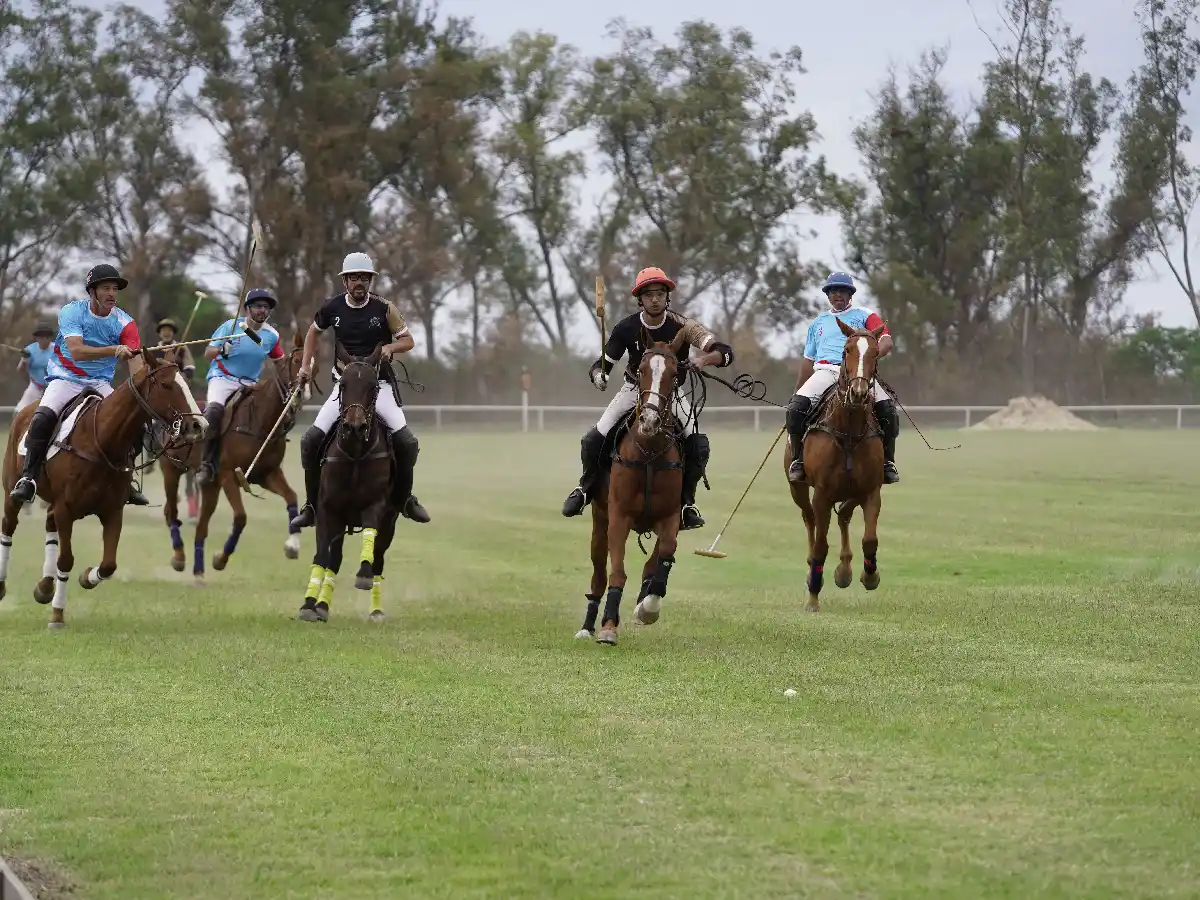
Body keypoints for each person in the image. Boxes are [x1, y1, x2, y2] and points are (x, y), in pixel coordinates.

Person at [560, 266, 735, 530]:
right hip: (634, 391)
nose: (655, 298)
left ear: (667, 297)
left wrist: (703, 360)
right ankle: (584, 489)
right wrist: (599, 376)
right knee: (593, 439)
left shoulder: (684, 327)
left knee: (699, 446)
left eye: (660, 293)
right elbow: (601, 365)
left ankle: (687, 503)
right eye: (649, 294)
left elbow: (724, 351)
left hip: (671, 394)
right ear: (640, 299)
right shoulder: (625, 328)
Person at [289, 251, 430, 529]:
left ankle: (405, 499)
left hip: (379, 385)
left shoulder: (385, 308)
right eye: (353, 278)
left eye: (364, 278)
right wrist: (305, 366)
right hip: (345, 387)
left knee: (407, 443)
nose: (358, 283)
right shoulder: (332, 308)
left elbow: (409, 340)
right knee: (309, 441)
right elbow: (312, 332)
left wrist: (390, 347)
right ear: (345, 282)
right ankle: (312, 505)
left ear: (370, 281)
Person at [9, 264, 151, 506]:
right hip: (66, 378)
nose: (112, 294)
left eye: (115, 289)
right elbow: (76, 350)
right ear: (92, 291)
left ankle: (126, 479)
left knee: (136, 424)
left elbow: (135, 364)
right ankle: (29, 478)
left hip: (100, 382)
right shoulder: (72, 312)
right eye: (106, 288)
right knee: (42, 417)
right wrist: (113, 349)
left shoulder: (126, 323)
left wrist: (139, 392)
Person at [785, 271, 900, 485]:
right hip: (825, 372)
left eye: (843, 291)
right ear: (828, 295)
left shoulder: (865, 315)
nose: (838, 295)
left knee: (888, 410)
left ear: (850, 294)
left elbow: (886, 340)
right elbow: (808, 361)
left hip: (859, 374)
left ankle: (887, 463)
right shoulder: (817, 323)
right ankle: (798, 460)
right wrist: (797, 392)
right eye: (833, 291)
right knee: (795, 408)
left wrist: (870, 358)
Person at [195, 288, 286, 487]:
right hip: (222, 378)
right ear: (247, 308)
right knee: (214, 412)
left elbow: (281, 362)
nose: (262, 310)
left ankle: (261, 463)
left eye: (266, 307)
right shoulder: (230, 326)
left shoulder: (272, 336)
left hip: (250, 384)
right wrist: (221, 348)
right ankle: (207, 464)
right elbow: (208, 354)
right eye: (258, 306)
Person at [15, 322, 55, 410]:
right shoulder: (29, 350)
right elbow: (20, 370)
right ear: (36, 338)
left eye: (47, 337)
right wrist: (24, 359)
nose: (44, 339)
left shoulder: (57, 350)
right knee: (20, 410)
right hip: (36, 387)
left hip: (54, 388)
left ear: (51, 337)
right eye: (41, 337)